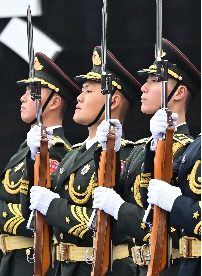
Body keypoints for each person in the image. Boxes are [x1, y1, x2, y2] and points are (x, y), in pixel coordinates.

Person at [29, 46, 141, 275]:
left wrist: (53, 207)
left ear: (113, 101)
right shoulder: (72, 155)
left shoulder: (126, 156)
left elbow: (111, 224)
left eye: (89, 91)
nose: (79, 97)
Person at [93, 38, 199, 275]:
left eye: (154, 81)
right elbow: (115, 197)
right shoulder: (141, 150)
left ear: (180, 92)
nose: (144, 87)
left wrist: (120, 209)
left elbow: (167, 223)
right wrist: (108, 153)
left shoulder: (187, 150)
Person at [0, 52, 80, 275]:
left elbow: (35, 219)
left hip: (32, 263)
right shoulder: (24, 151)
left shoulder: (57, 152)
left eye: (32, 92)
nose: (23, 98)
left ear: (54, 102)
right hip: (11, 263)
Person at [147, 134, 201, 276]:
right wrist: (154, 148)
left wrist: (176, 204)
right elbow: (153, 191)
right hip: (189, 266)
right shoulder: (197, 143)